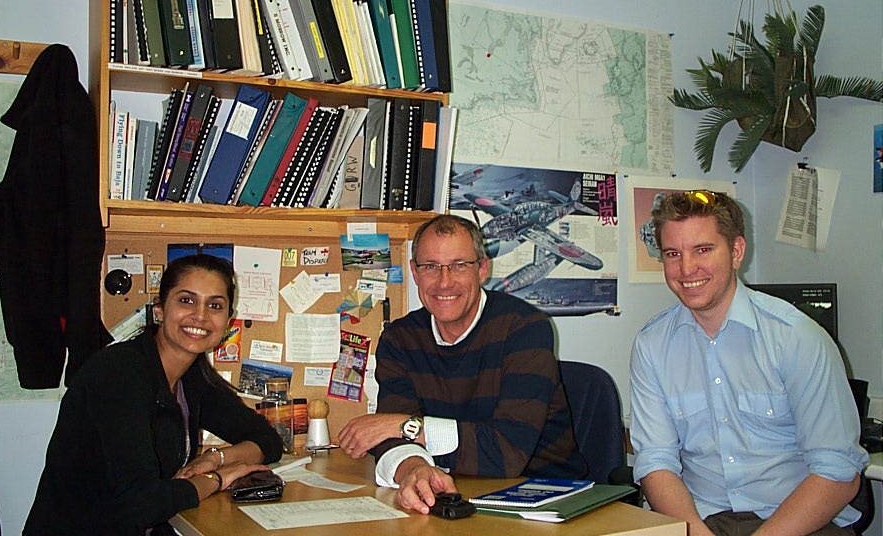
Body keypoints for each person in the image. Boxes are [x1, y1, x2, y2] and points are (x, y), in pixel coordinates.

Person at [629, 190, 869, 536]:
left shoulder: (796, 338)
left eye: (703, 249)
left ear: (737, 251)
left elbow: (838, 472)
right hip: (700, 519)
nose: (686, 269)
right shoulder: (652, 346)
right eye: (672, 254)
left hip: (796, 522)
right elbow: (656, 462)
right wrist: (694, 531)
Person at [338, 214, 585, 514]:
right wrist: (414, 468)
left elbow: (506, 453)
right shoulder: (400, 339)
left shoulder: (525, 329)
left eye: (458, 265)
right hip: (456, 498)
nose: (444, 281)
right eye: (430, 267)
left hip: (545, 501)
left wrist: (404, 426)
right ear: (415, 272)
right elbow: (388, 439)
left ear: (482, 269)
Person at [25, 254, 283, 535]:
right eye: (186, 300)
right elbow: (141, 503)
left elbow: (268, 440)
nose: (201, 316)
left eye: (215, 305)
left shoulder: (191, 376)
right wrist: (216, 479)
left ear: (227, 320)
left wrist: (216, 459)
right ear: (159, 309)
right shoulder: (119, 373)